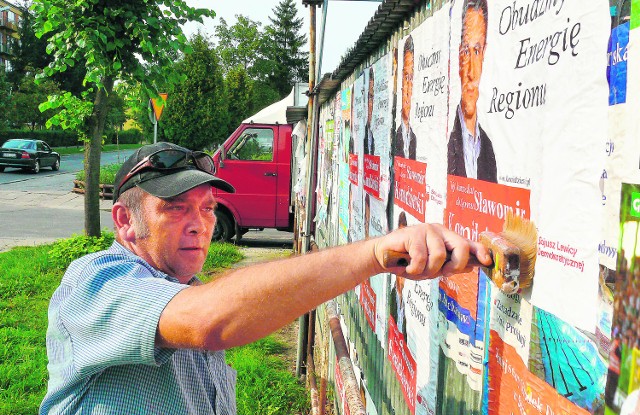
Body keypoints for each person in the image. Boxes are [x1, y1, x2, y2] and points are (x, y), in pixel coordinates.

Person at [40, 142, 491, 414]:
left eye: (207, 208)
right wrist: (374, 253)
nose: (198, 223)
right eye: (175, 208)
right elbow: (209, 322)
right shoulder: (94, 283)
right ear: (125, 221)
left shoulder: (182, 289)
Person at [447, 0, 497, 183]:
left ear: (485, 53)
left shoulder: (488, 150)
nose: (470, 72)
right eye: (466, 53)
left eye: (476, 51)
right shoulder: (446, 142)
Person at [394, 35, 417, 160]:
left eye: (411, 78)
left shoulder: (415, 139)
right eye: (405, 77)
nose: (408, 87)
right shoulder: (394, 136)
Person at [364, 67, 376, 155]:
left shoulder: (378, 136)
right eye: (367, 98)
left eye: (371, 98)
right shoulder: (360, 137)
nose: (369, 104)